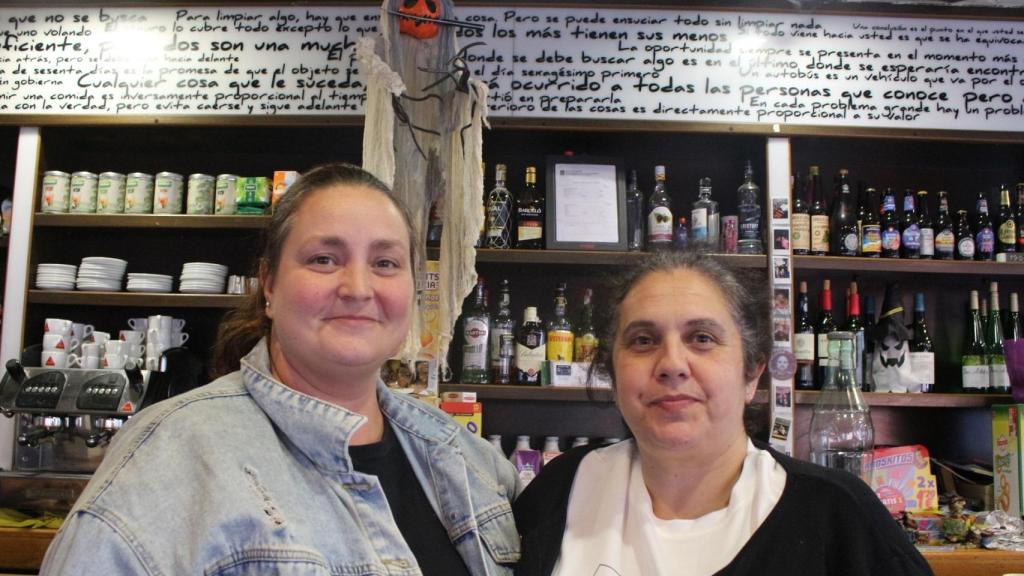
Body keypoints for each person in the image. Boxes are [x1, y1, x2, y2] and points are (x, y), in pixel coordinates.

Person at [42, 164, 520, 575]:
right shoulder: (170, 454)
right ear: (269, 284)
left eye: (385, 262)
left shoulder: (469, 461)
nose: (358, 287)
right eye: (324, 259)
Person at [513, 251, 932, 576]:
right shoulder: (560, 489)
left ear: (752, 372)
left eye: (702, 338)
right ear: (612, 371)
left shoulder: (837, 513)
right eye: (642, 340)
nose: (671, 363)